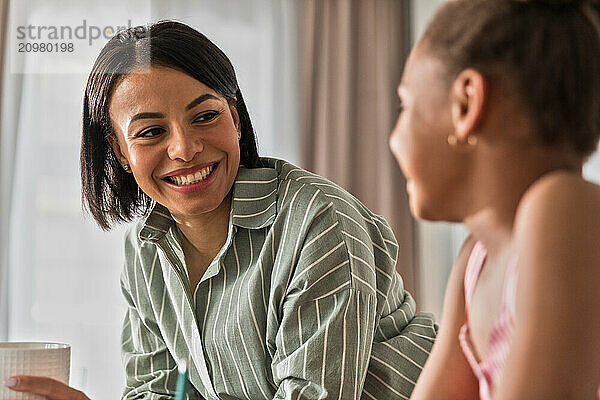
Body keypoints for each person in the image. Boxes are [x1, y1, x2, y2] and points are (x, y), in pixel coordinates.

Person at [4, 21, 436, 400]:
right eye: (152, 132)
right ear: (118, 152)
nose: (185, 148)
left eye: (206, 116)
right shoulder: (146, 248)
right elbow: (155, 390)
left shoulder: (318, 221)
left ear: (236, 118)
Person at [387, 0, 600, 399]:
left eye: (406, 105)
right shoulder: (475, 262)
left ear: (466, 103)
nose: (393, 138)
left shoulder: (565, 209)